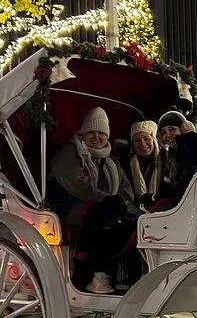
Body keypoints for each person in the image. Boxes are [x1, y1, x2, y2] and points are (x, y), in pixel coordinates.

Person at [48, 106, 134, 294]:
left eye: (101, 133)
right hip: (70, 205)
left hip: (105, 206)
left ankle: (120, 273)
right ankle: (91, 273)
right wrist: (108, 200)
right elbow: (78, 185)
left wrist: (122, 201)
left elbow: (125, 186)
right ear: (83, 133)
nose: (96, 137)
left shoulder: (111, 159)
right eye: (91, 132)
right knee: (103, 214)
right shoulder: (69, 154)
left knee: (128, 222)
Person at [152, 112, 197, 210]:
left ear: (183, 128)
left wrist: (189, 137)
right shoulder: (170, 156)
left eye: (172, 129)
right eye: (163, 132)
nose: (168, 135)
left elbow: (187, 180)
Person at [119, 120, 161, 213]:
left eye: (146, 139)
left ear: (154, 139)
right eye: (137, 140)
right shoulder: (125, 164)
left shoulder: (166, 161)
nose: (142, 144)